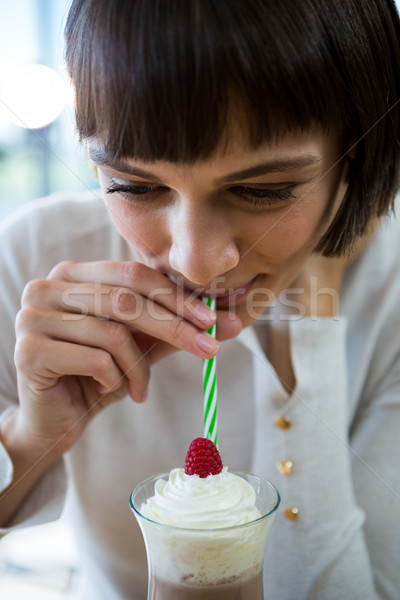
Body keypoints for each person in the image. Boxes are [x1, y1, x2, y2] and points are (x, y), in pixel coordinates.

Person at [1, 0, 400, 598]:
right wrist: (34, 437)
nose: (196, 260)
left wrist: (307, 330)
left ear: (358, 159)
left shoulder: (391, 295)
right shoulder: (37, 256)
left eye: (266, 191)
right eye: (133, 186)